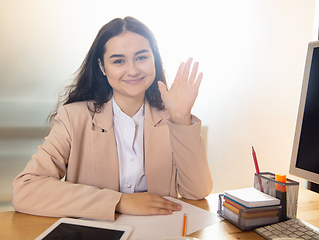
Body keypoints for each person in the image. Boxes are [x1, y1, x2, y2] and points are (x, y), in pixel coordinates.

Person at [12, 16, 212, 221]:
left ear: (154, 59)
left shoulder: (172, 118)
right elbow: (25, 189)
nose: (133, 70)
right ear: (102, 66)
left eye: (142, 57)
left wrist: (180, 118)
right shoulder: (74, 118)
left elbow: (196, 192)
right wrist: (119, 201)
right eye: (119, 61)